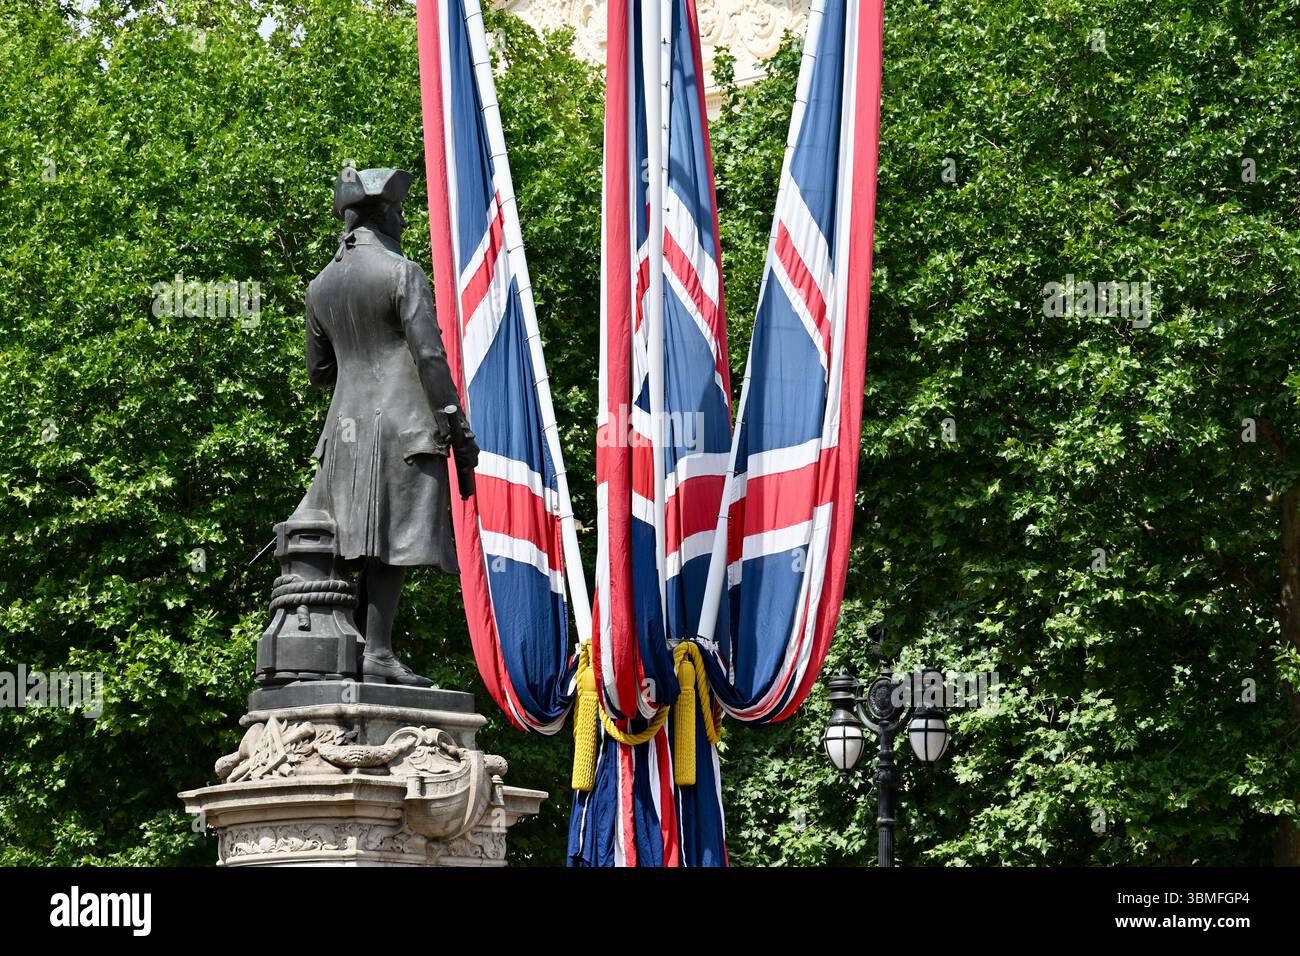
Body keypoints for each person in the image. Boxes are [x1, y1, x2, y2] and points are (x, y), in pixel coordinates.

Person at [296, 166, 478, 687]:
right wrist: (454, 426)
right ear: (382, 215)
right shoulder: (403, 272)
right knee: (394, 541)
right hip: (402, 427)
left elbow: (319, 373)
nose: (403, 220)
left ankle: (352, 646)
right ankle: (376, 650)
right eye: (398, 211)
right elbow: (429, 355)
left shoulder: (320, 286)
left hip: (342, 435)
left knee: (353, 542)